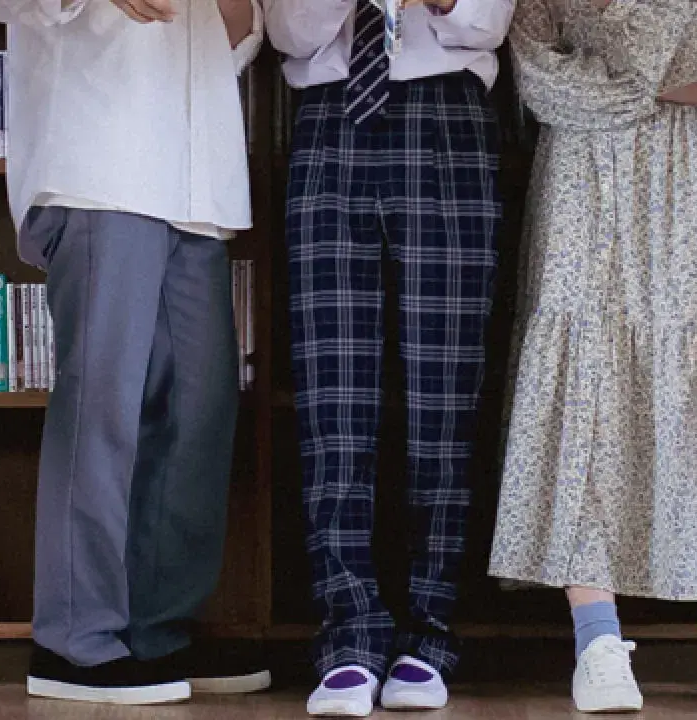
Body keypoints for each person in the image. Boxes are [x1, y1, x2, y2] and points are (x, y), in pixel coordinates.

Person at [489, 0, 697, 712]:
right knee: (586, 396)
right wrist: (647, 88)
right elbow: (539, 76)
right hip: (584, 175)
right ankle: (596, 641)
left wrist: (606, 69)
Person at [0, 0, 270, 708]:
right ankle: (75, 638)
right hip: (99, 161)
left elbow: (238, 36)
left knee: (199, 412)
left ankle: (158, 630)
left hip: (198, 178)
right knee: (104, 407)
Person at [264, 0, 509, 713]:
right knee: (333, 396)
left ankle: (429, 636)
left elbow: (489, 24)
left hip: (449, 121)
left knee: (445, 394)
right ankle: (348, 634)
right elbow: (288, 33)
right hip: (328, 119)